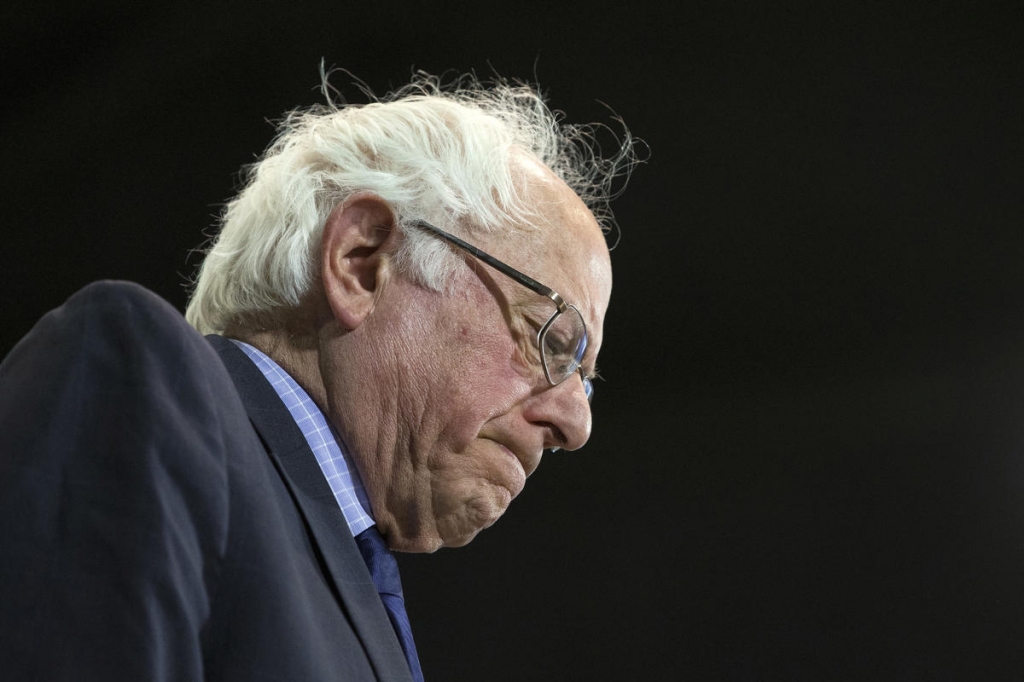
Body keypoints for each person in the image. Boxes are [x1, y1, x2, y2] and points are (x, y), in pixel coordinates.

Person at [0, 71, 636, 681]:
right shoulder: (141, 381)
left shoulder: (355, 579)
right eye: (553, 341)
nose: (575, 424)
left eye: (585, 378)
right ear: (361, 264)